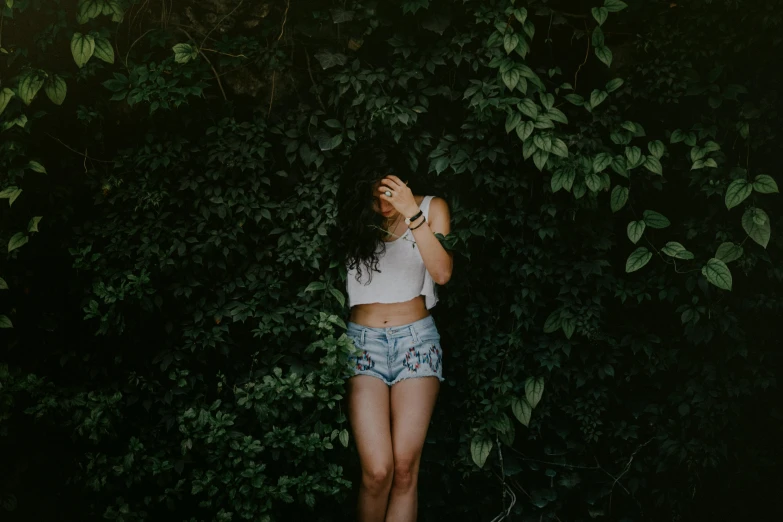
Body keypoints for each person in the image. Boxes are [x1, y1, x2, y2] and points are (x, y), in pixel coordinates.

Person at [337, 142, 454, 522]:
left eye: (387, 195)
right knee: (377, 471)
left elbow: (442, 273)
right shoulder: (354, 216)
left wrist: (412, 214)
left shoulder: (432, 208)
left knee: (405, 469)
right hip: (362, 344)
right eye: (374, 197)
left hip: (416, 341)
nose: (382, 207)